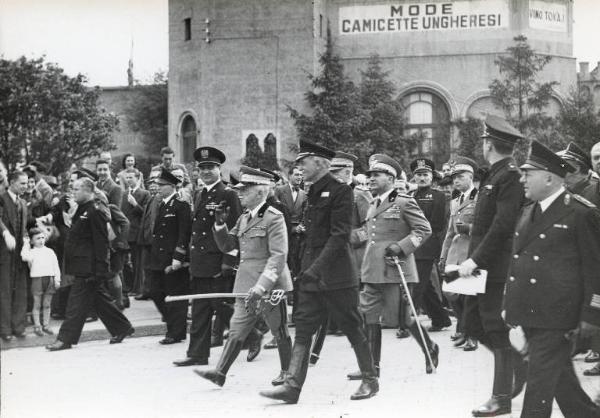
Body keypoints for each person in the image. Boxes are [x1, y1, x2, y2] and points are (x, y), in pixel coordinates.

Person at [259, 140, 378, 404]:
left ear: (321, 163)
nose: (299, 167)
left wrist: (314, 269)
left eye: (304, 162)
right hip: (313, 275)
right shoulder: (312, 193)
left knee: (352, 326)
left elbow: (338, 237)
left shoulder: (340, 191)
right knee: (303, 327)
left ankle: (370, 379)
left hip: (336, 276)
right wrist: (305, 269)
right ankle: (292, 386)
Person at [505, 140, 600, 418]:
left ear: (548, 177)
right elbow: (519, 263)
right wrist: (509, 304)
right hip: (532, 314)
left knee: (538, 388)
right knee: (564, 387)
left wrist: (592, 315)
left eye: (527, 174)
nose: (522, 179)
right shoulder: (528, 211)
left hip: (560, 318)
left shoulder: (581, 213)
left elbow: (595, 270)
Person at [195, 166, 293, 387]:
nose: (239, 193)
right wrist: (219, 224)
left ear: (260, 192)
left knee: (279, 330)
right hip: (245, 284)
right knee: (237, 328)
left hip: (269, 286)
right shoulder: (243, 218)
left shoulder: (273, 217)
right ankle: (220, 373)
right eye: (239, 189)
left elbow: (278, 256)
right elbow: (228, 246)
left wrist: (262, 286)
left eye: (245, 190)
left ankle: (288, 372)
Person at [346, 154, 437, 380]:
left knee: (404, 319)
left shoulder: (404, 202)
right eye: (369, 175)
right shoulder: (373, 203)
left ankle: (430, 348)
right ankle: (371, 368)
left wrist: (402, 247)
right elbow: (370, 233)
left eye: (376, 175)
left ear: (390, 177)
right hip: (372, 269)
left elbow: (424, 230)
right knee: (369, 316)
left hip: (396, 268)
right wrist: (347, 237)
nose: (371, 179)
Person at [458, 115, 525, 417]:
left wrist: (475, 260)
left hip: (491, 266)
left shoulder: (508, 175)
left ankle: (501, 398)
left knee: (494, 328)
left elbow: (502, 225)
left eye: (484, 140)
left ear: (488, 144)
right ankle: (518, 363)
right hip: (479, 264)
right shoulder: (495, 174)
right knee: (471, 324)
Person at [46, 177, 134, 351]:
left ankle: (65, 339)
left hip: (90, 268)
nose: (73, 192)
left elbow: (101, 242)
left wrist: (101, 269)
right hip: (83, 265)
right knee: (99, 299)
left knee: (75, 304)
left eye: (77, 189)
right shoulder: (83, 209)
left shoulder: (95, 210)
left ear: (88, 191)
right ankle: (122, 328)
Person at [173, 146, 242, 366]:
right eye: (202, 168)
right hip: (201, 262)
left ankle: (250, 335)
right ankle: (197, 354)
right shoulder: (200, 193)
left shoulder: (228, 194)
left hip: (217, 261)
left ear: (219, 168)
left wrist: (229, 262)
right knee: (201, 308)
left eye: (211, 167)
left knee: (220, 305)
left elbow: (235, 231)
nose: (206, 171)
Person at [439, 157, 479, 352]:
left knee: (468, 296)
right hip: (455, 251)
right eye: (454, 178)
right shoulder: (455, 201)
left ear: (470, 177)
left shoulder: (479, 198)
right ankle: (463, 329)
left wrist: (470, 228)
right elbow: (449, 231)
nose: (456, 181)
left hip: (471, 251)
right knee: (452, 295)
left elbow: (486, 226)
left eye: (460, 177)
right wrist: (443, 256)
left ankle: (471, 335)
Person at [147, 169, 191, 346]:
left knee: (175, 296)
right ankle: (175, 325)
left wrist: (178, 257)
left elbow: (184, 233)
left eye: (162, 185)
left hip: (173, 258)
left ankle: (175, 332)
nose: (158, 187)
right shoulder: (163, 205)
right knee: (155, 292)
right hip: (159, 258)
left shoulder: (181, 206)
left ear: (172, 186)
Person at [409, 158, 451, 331]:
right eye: (418, 175)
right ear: (414, 177)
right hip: (411, 245)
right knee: (425, 286)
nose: (422, 178)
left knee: (417, 284)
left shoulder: (438, 196)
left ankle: (407, 323)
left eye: (425, 174)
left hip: (426, 246)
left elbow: (438, 224)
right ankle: (440, 319)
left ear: (432, 177)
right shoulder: (410, 195)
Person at [0, 171, 29, 341]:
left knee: (20, 289)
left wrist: (25, 241)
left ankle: (19, 327)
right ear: (11, 182)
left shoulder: (23, 203)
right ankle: (5, 329)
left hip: (19, 254)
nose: (25, 187)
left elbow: (23, 226)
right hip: (4, 252)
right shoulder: (2, 198)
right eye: (22, 183)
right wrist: (5, 233)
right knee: (4, 290)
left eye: (26, 183)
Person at [20, 227, 61, 336]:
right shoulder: (31, 252)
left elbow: (56, 266)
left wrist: (57, 279)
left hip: (50, 279)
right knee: (37, 304)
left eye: (42, 237)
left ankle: (46, 325)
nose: (41, 240)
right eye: (38, 238)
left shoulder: (50, 251)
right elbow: (24, 257)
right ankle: (37, 326)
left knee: (47, 304)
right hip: (37, 280)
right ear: (32, 241)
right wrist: (26, 244)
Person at [121, 168, 151, 297]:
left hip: (137, 233)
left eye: (131, 177)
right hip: (125, 233)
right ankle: (127, 286)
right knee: (124, 262)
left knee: (137, 262)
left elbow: (146, 212)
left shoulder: (144, 194)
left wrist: (135, 204)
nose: (128, 180)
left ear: (138, 178)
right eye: (126, 178)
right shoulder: (123, 194)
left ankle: (137, 288)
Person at [135, 171, 162, 300]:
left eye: (156, 184)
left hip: (153, 239)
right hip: (146, 238)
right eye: (151, 183)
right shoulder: (151, 198)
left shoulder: (158, 198)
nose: (153, 186)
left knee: (152, 267)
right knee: (146, 266)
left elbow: (154, 220)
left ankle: (151, 291)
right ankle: (147, 290)